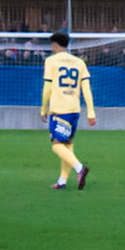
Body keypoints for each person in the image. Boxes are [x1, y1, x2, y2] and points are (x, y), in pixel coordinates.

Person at [39, 30, 94, 190]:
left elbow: (47, 87)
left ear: (55, 45)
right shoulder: (79, 62)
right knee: (67, 145)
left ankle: (79, 168)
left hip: (59, 109)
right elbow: (86, 89)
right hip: (74, 109)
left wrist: (43, 108)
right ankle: (62, 181)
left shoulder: (51, 61)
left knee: (56, 145)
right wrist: (91, 112)